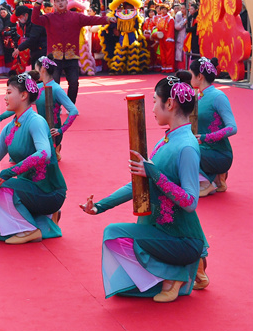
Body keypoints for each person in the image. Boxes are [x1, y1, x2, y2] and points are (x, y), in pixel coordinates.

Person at [79, 72, 207, 302]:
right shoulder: (168, 139)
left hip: (181, 237)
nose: (153, 108)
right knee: (114, 233)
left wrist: (154, 174)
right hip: (162, 229)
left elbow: (190, 202)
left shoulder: (186, 146)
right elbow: (138, 184)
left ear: (170, 103)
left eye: (155, 101)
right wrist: (100, 206)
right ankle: (183, 270)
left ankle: (177, 273)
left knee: (115, 235)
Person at [0, 71, 67, 244]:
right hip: (28, 189)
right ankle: (45, 218)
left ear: (24, 95)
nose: (5, 97)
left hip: (49, 191)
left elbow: (44, 153)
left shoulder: (36, 121)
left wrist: (8, 172)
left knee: (0, 183)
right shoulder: (11, 126)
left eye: (9, 92)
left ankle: (29, 229)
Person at [32, 0, 109, 102]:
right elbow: (34, 19)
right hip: (54, 58)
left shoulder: (76, 17)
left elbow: (92, 20)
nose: (60, 3)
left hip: (72, 56)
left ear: (67, 2)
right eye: (57, 1)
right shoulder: (49, 18)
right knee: (54, 84)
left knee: (74, 83)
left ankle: (70, 105)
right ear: (54, 4)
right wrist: (38, 2)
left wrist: (106, 19)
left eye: (62, 0)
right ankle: (55, 106)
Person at [189, 57, 237, 196]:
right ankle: (215, 178)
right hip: (203, 150)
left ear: (199, 76)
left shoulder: (218, 96)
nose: (190, 77)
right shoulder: (197, 96)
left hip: (220, 153)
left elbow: (232, 128)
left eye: (191, 74)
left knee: (185, 150)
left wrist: (205, 137)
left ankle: (206, 183)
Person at [34, 55, 78, 160]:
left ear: (43, 69)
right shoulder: (38, 88)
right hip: (38, 130)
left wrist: (61, 130)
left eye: (36, 70)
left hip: (52, 132)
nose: (35, 73)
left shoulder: (56, 89)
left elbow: (74, 110)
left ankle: (56, 146)